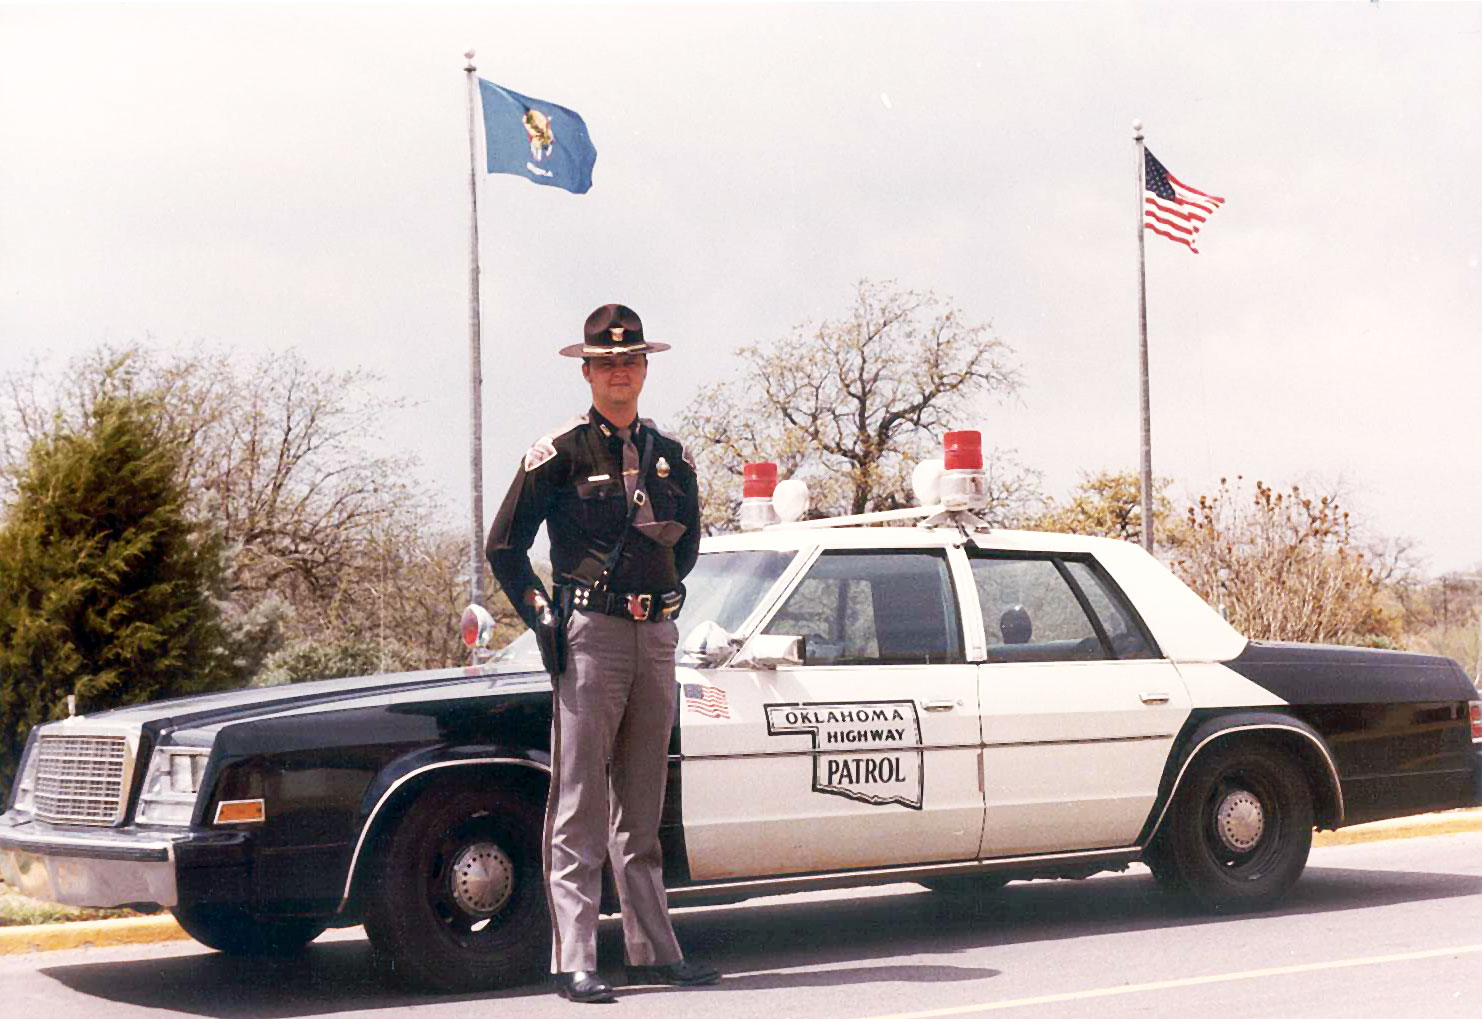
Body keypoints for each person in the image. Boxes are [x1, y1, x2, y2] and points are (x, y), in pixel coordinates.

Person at [486, 303, 719, 1004]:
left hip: (655, 636)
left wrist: (657, 603)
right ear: (586, 371)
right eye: (606, 362)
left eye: (630, 360)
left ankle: (652, 949)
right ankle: (575, 958)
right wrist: (541, 616)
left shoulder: (672, 456)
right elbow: (505, 546)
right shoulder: (557, 454)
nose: (619, 372)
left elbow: (688, 548)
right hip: (590, 636)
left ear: (645, 367)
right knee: (581, 801)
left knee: (642, 804)